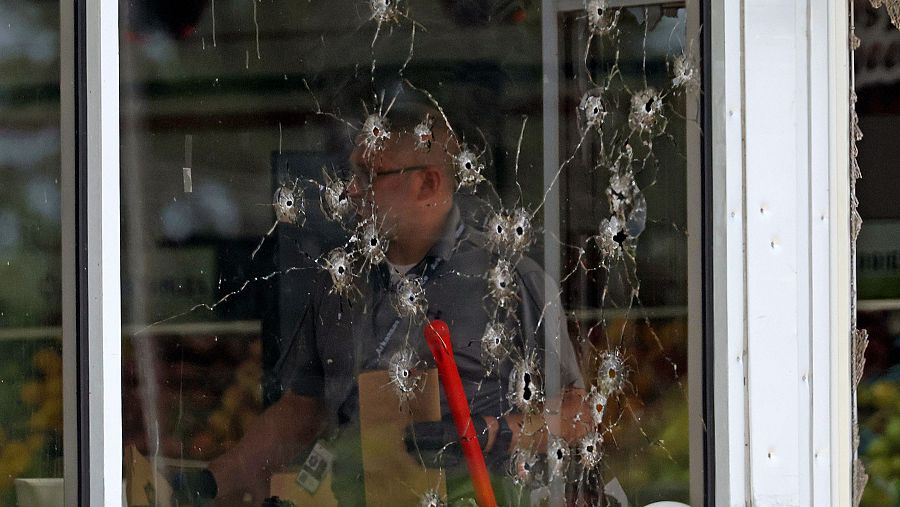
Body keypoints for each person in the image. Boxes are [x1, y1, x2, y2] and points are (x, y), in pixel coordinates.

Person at [178, 106, 591, 505]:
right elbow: (304, 409)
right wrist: (211, 481)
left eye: (369, 175)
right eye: (351, 172)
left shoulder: (509, 279)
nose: (351, 189)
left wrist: (493, 432)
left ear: (428, 184)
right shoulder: (340, 282)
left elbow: (578, 414)